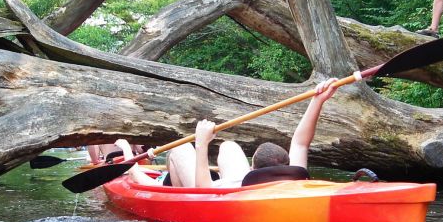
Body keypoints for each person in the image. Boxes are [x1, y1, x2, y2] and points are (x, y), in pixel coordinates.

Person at [117, 78, 339, 187]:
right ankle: (172, 177)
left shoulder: (226, 190)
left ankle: (170, 186)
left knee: (180, 147)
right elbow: (301, 143)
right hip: (243, 183)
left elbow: (203, 192)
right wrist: (317, 101)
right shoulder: (296, 178)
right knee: (228, 146)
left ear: (252, 168)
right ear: (288, 167)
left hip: (220, 191)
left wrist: (201, 143)